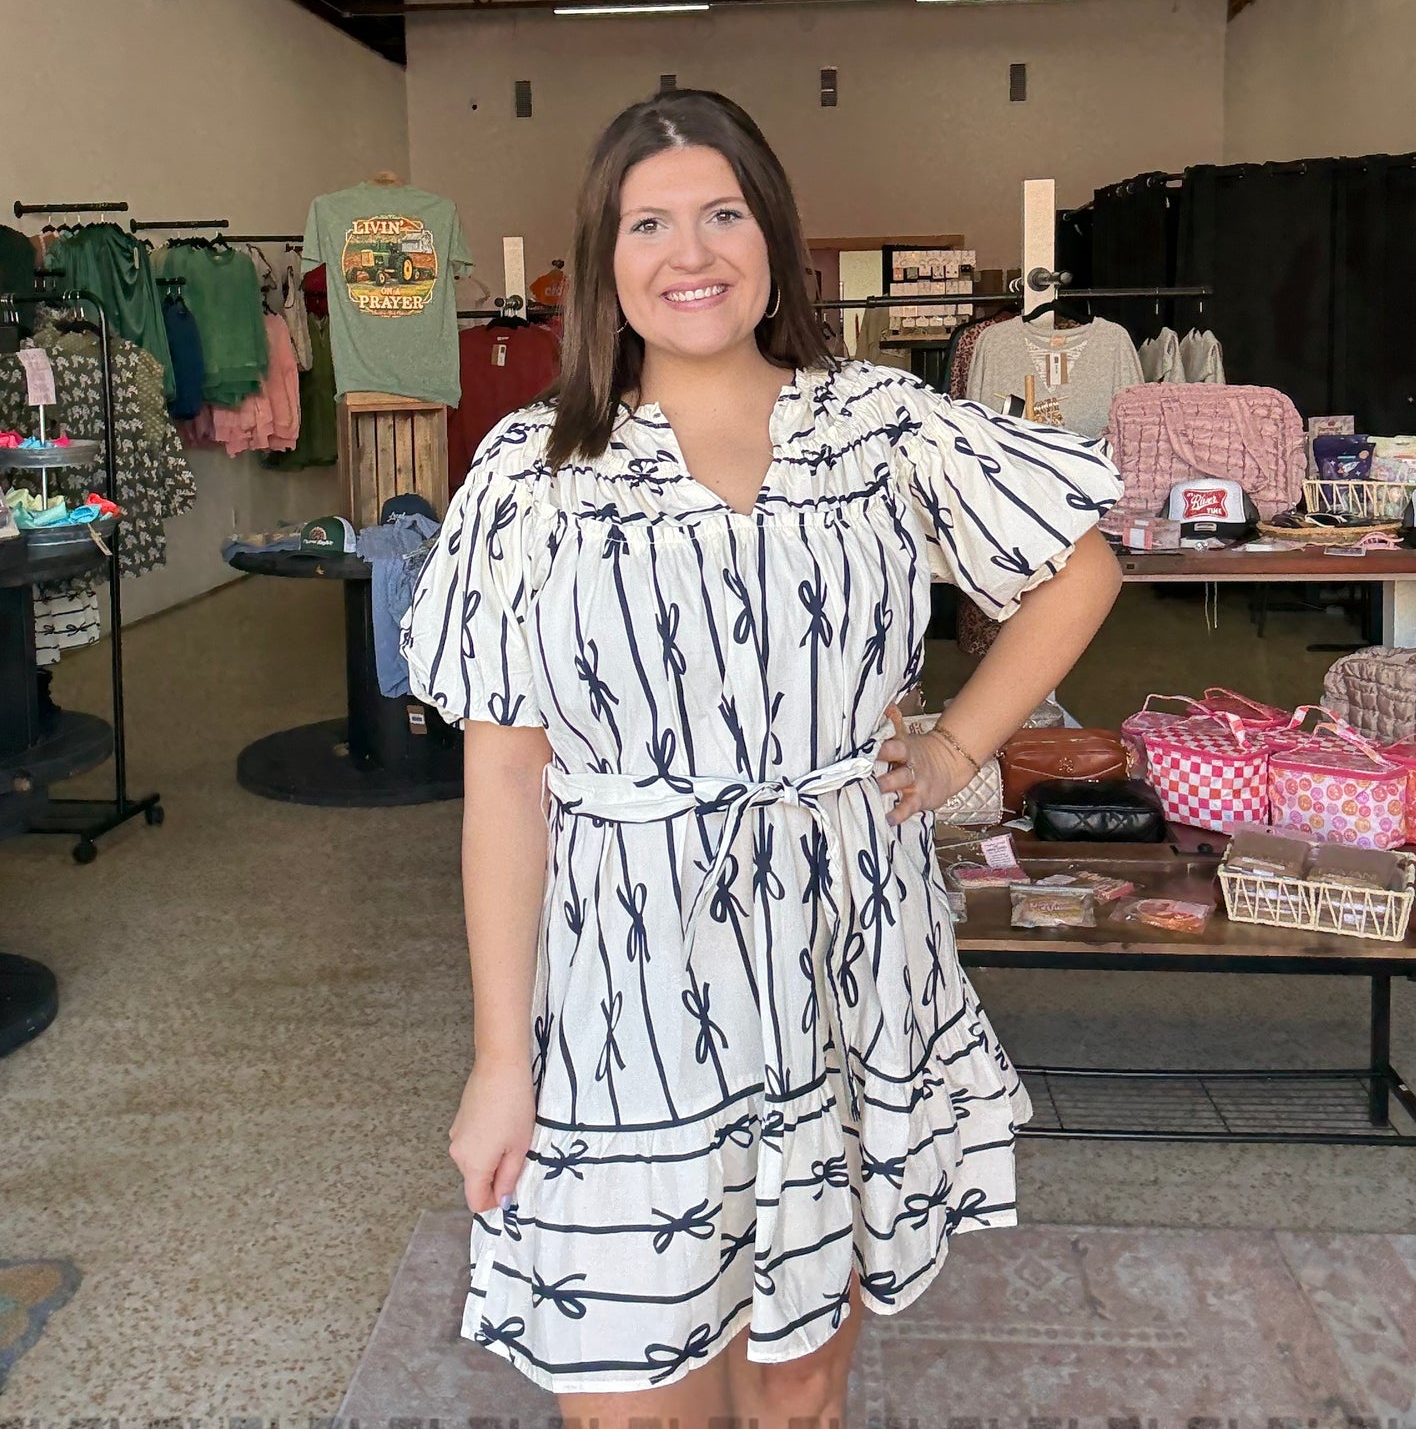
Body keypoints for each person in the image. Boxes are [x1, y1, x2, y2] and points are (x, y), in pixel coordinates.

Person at [402, 90, 1124, 1429]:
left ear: (772, 238)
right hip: (630, 980)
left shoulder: (880, 423)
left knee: (800, 1383)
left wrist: (962, 739)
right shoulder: (533, 469)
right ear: (604, 261)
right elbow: (502, 782)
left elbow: (1079, 568)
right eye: (651, 221)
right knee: (628, 1389)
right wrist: (502, 1060)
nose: (692, 250)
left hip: (845, 953)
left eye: (723, 212)